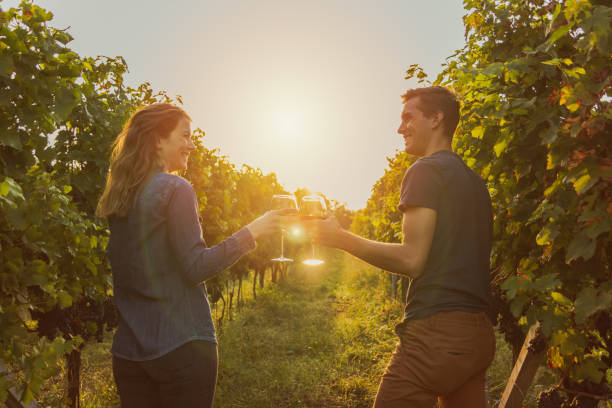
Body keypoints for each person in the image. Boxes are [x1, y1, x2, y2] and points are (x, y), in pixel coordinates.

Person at [308, 86, 495, 407]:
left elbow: (412, 260)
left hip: (437, 335)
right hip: (478, 336)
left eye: (409, 117)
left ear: (437, 119)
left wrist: (341, 238)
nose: (400, 128)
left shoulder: (425, 170)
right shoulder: (474, 182)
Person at [96, 103, 286, 408]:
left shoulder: (120, 195)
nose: (192, 144)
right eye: (184, 135)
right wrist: (252, 232)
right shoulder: (175, 188)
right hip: (181, 347)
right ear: (159, 139)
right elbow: (196, 267)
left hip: (130, 353)